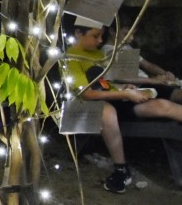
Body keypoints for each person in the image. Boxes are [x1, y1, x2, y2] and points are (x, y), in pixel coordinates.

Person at [65, 22, 182, 193]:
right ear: (78, 33)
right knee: (107, 112)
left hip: (117, 98)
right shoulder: (72, 58)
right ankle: (121, 169)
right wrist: (124, 94)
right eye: (95, 36)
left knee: (163, 106)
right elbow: (87, 93)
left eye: (101, 36)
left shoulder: (96, 54)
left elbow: (104, 82)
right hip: (90, 105)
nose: (99, 40)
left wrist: (122, 88)